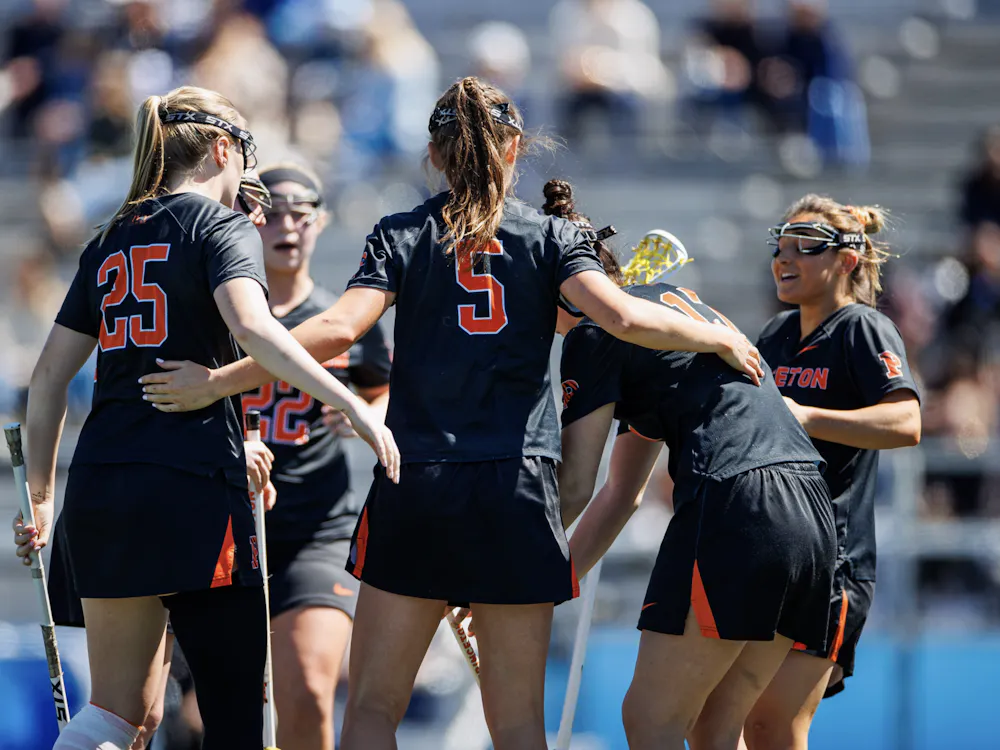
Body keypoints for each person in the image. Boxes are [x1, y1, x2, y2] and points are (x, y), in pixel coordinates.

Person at [135, 76, 764, 750]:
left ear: (434, 154)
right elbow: (619, 315)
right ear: (515, 148)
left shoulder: (401, 233)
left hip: (418, 488)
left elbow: (338, 330)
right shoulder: (553, 235)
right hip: (516, 493)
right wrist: (720, 334)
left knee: (374, 710)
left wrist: (221, 380)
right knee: (519, 725)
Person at [11, 85, 398, 750]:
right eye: (246, 152)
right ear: (221, 148)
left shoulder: (110, 236)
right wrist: (352, 405)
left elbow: (46, 379)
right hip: (192, 493)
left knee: (112, 716)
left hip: (101, 487)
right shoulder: (219, 227)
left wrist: (41, 500)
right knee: (237, 722)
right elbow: (257, 330)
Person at [541, 179, 837, 750]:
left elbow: (576, 484)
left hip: (736, 505)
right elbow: (622, 493)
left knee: (650, 722)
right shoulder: (674, 308)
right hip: (810, 509)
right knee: (714, 730)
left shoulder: (593, 332)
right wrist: (553, 581)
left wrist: (512, 574)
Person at [746, 194, 921, 750]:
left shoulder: (862, 329)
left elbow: (907, 420)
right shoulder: (774, 335)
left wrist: (806, 415)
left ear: (846, 261)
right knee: (737, 725)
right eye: (780, 246)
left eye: (806, 248)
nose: (784, 258)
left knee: (775, 727)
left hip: (833, 562)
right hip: (773, 555)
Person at [243, 162, 392, 750]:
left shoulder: (342, 321)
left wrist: (364, 415)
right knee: (210, 709)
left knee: (306, 688)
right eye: (270, 213)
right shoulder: (223, 314)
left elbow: (384, 396)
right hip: (226, 528)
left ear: (319, 222)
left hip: (316, 528)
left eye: (298, 214)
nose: (285, 226)